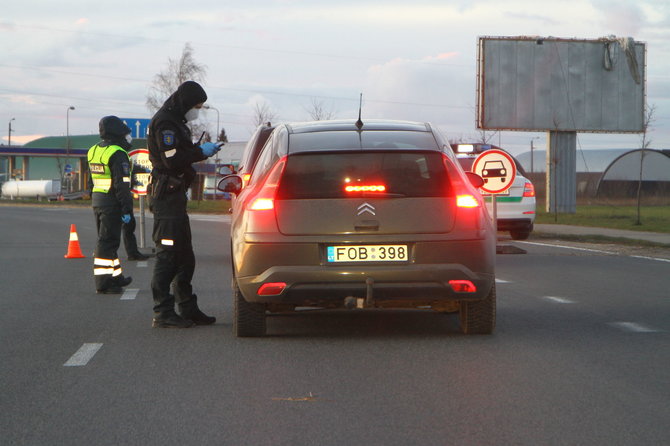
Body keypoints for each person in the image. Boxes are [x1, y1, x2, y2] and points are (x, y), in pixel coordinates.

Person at [147, 80, 221, 328]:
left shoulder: (178, 122)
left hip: (176, 195)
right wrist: (202, 153)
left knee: (185, 256)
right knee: (168, 255)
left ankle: (188, 308)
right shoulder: (165, 122)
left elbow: (182, 153)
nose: (197, 110)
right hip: (166, 197)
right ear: (185, 102)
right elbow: (172, 160)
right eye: (197, 106)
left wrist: (199, 149)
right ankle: (163, 311)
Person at [87, 116, 134, 294]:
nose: (128, 137)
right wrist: (126, 208)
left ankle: (115, 277)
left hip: (98, 201)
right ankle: (104, 282)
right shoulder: (118, 153)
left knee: (109, 241)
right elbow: (122, 185)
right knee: (107, 242)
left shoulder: (93, 151)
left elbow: (92, 182)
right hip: (112, 203)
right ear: (119, 132)